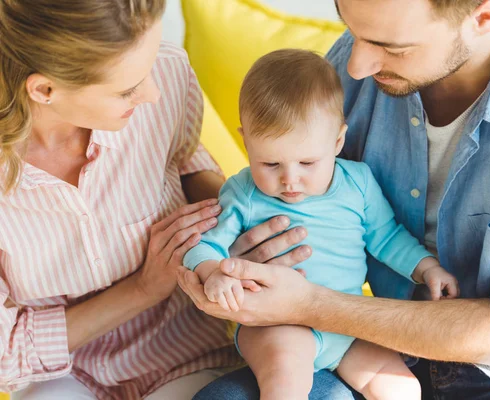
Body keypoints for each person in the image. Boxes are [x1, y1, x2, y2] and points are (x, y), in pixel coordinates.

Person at [181, 0, 490, 399]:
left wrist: (316, 305)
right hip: (354, 331)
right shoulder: (362, 52)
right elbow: (305, 201)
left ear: (484, 16)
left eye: (390, 47)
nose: (355, 66)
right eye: (351, 28)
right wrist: (234, 260)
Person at [0, 1, 311, 398]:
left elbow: (183, 161)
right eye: (128, 89)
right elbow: (6, 354)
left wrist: (246, 227)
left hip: (186, 348)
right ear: (44, 89)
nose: (153, 93)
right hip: (65, 371)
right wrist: (142, 289)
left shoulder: (167, 72)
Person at [183, 49, 460, 400]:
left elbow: (387, 237)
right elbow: (204, 246)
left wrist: (426, 268)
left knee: (402, 388)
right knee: (287, 380)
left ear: (338, 141)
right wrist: (213, 272)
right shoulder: (243, 193)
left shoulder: (358, 183)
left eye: (307, 162)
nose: (290, 180)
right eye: (270, 163)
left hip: (345, 323)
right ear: (245, 141)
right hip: (277, 324)